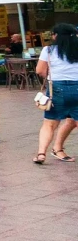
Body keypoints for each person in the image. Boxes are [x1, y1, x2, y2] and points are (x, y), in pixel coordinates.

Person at [36, 24, 78, 164]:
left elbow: (40, 71)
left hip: (57, 89)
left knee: (49, 123)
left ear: (56, 36)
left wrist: (52, 74)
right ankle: (57, 149)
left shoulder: (48, 50)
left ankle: (41, 154)